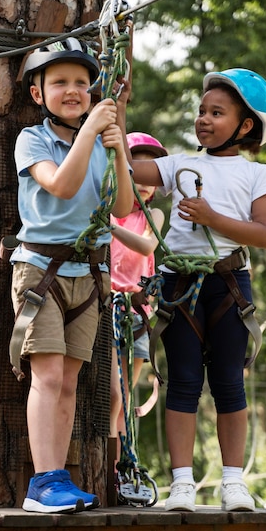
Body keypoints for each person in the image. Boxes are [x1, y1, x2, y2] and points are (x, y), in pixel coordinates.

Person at [127, 68, 266, 512]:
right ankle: (182, 483)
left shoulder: (260, 176)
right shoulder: (179, 164)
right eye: (201, 111)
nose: (203, 119)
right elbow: (127, 165)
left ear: (245, 125)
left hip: (230, 285)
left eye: (216, 112)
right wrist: (112, 116)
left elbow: (263, 234)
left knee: (229, 383)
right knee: (182, 381)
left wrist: (212, 218)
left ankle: (233, 482)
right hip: (181, 284)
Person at [10, 38, 133, 513]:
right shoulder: (33, 139)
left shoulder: (100, 141)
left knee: (69, 381)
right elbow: (60, 186)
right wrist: (91, 134)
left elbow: (122, 206)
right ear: (39, 93)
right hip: (41, 270)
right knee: (47, 373)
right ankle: (43, 482)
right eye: (60, 82)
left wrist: (117, 147)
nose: (74, 90)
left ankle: (57, 478)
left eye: (82, 82)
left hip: (88, 273)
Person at [109, 132, 167, 461]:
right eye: (137, 174)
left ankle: (122, 466)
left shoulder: (151, 218)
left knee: (127, 396)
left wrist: (108, 227)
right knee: (112, 393)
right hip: (106, 309)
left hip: (136, 313)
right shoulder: (106, 210)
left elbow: (146, 245)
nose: (144, 184)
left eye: (151, 177)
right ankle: (109, 461)